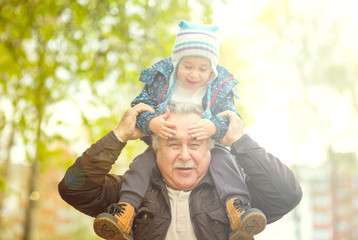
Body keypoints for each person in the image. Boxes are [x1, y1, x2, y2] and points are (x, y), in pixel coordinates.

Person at [93, 20, 266, 239]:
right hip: (164, 142)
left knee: (225, 162)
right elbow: (140, 104)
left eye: (203, 69)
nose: (195, 75)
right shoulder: (162, 79)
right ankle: (126, 211)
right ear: (176, 63)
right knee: (141, 164)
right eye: (188, 67)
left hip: (207, 145)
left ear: (212, 70)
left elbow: (231, 117)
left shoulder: (219, 87)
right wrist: (152, 122)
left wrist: (213, 126)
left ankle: (236, 208)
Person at [58, 103, 303, 240]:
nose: (185, 155)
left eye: (195, 144)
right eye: (173, 144)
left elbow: (288, 193)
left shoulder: (236, 199)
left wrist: (240, 143)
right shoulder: (130, 195)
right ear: (155, 150)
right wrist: (118, 137)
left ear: (210, 149)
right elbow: (72, 186)